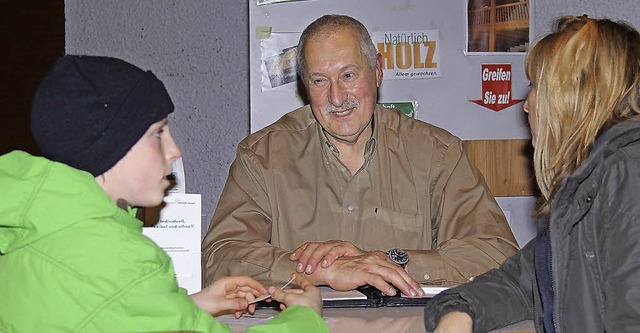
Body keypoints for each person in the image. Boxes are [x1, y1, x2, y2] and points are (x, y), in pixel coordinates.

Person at [0, 55, 327, 332]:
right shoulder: (120, 258)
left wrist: (183, 306)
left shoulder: (40, 225)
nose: (174, 150)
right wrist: (306, 317)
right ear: (110, 146)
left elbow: (95, 312)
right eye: (158, 133)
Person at [203, 14, 518, 298]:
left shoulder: (437, 153)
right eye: (319, 81)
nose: (337, 98)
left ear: (377, 71)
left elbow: (497, 254)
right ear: (304, 86)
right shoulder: (262, 156)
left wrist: (388, 262)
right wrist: (320, 270)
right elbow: (220, 257)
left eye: (349, 75)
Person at [424, 16, 640, 332]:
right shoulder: (585, 187)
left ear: (573, 96)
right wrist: (459, 310)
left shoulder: (626, 177)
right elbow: (523, 281)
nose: (527, 106)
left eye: (536, 87)